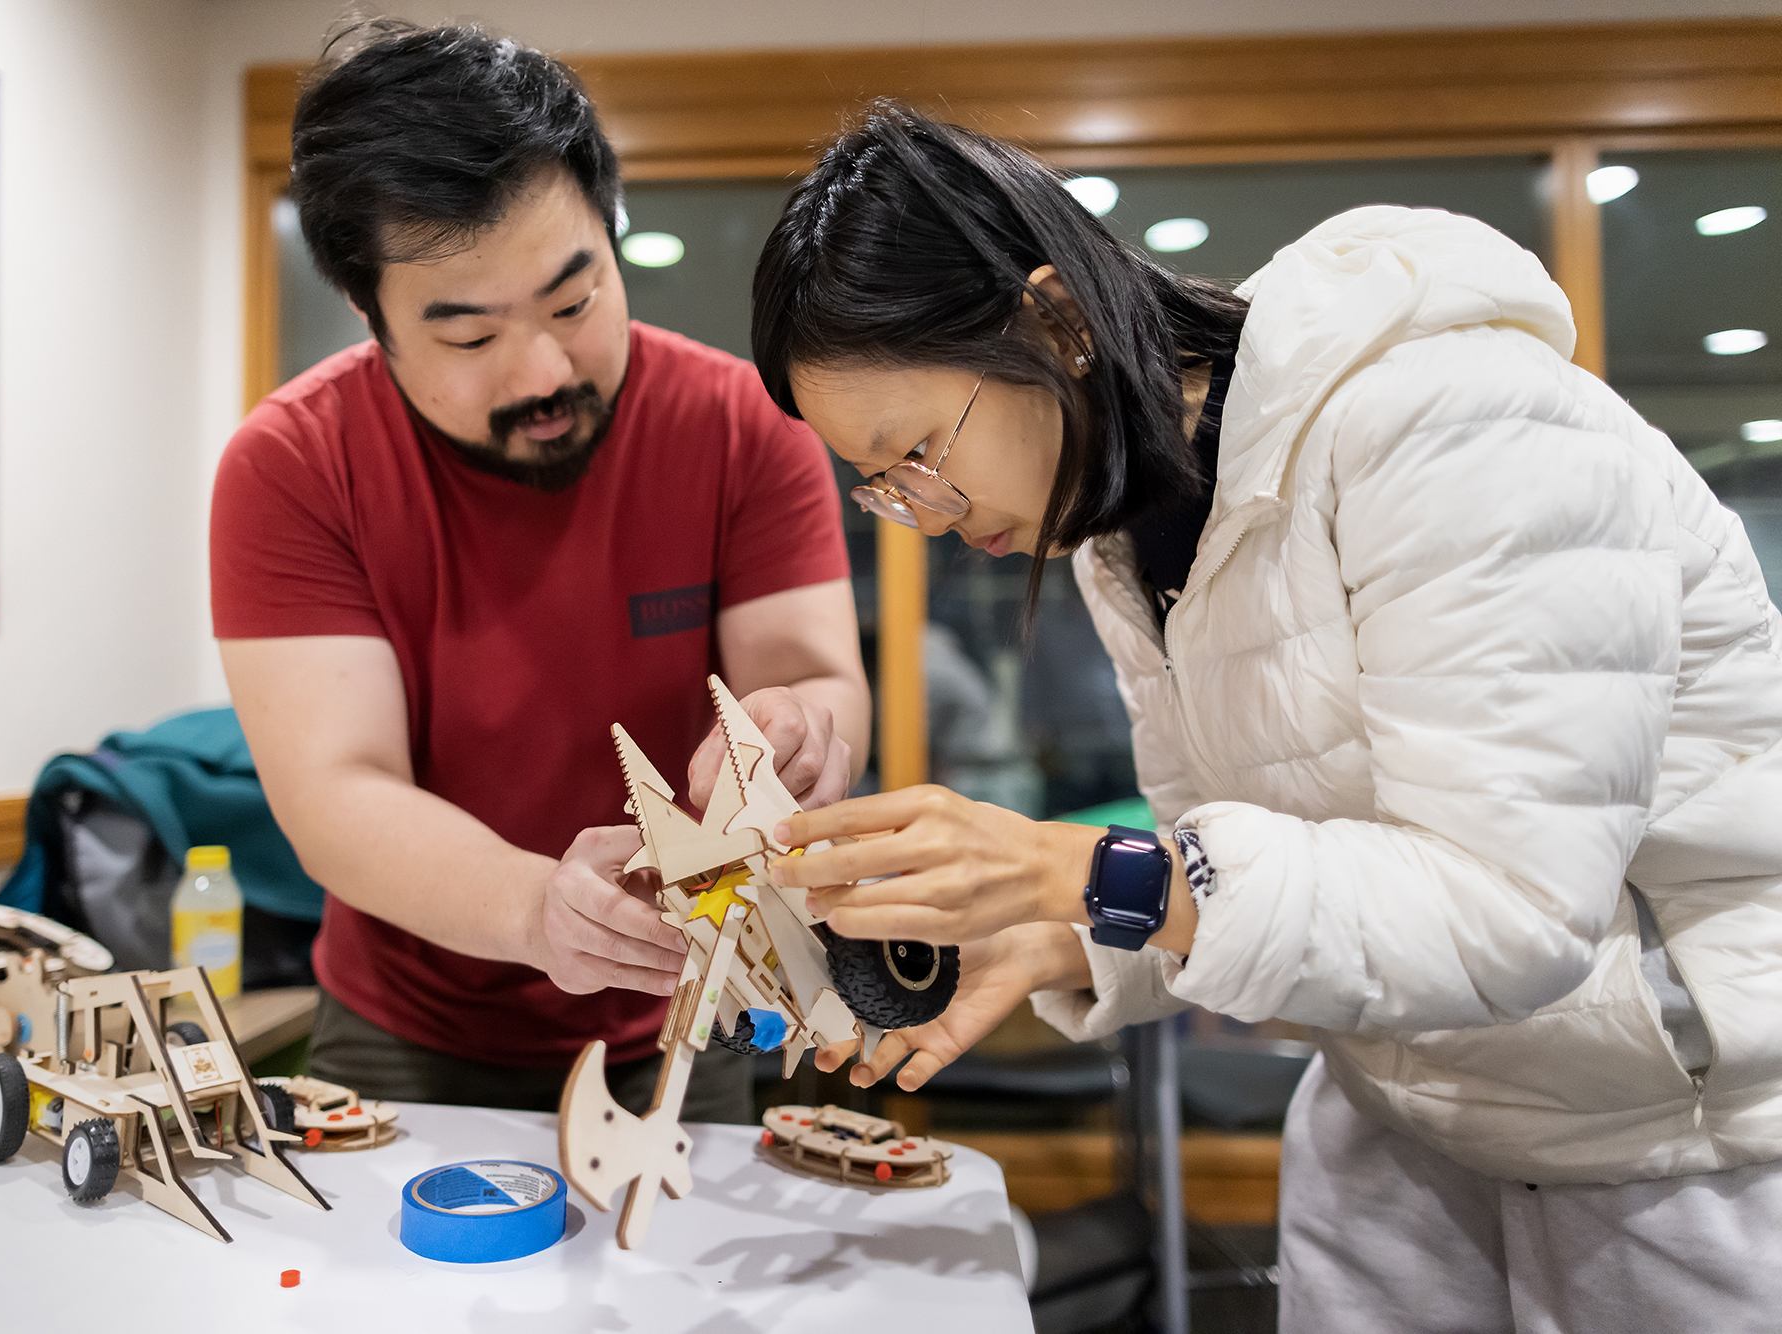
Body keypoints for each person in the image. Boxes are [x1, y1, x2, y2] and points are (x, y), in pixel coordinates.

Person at [747, 105, 1782, 1331]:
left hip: (1675, 1140)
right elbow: (1243, 857)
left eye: (918, 450)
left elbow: (1510, 907)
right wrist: (1063, 934)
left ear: (1058, 322)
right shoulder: (1126, 535)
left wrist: (1062, 866)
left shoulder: (1451, 419)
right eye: (879, 484)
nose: (919, 512)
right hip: (1398, 1105)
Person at [208, 22, 869, 1125]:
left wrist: (795, 733)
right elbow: (337, 790)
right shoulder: (291, 465)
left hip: (681, 1003)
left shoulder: (742, 427)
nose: (545, 371)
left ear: (611, 239)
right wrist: (535, 909)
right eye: (470, 338)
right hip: (404, 1030)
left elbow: (814, 678)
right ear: (371, 318)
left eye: (574, 300)